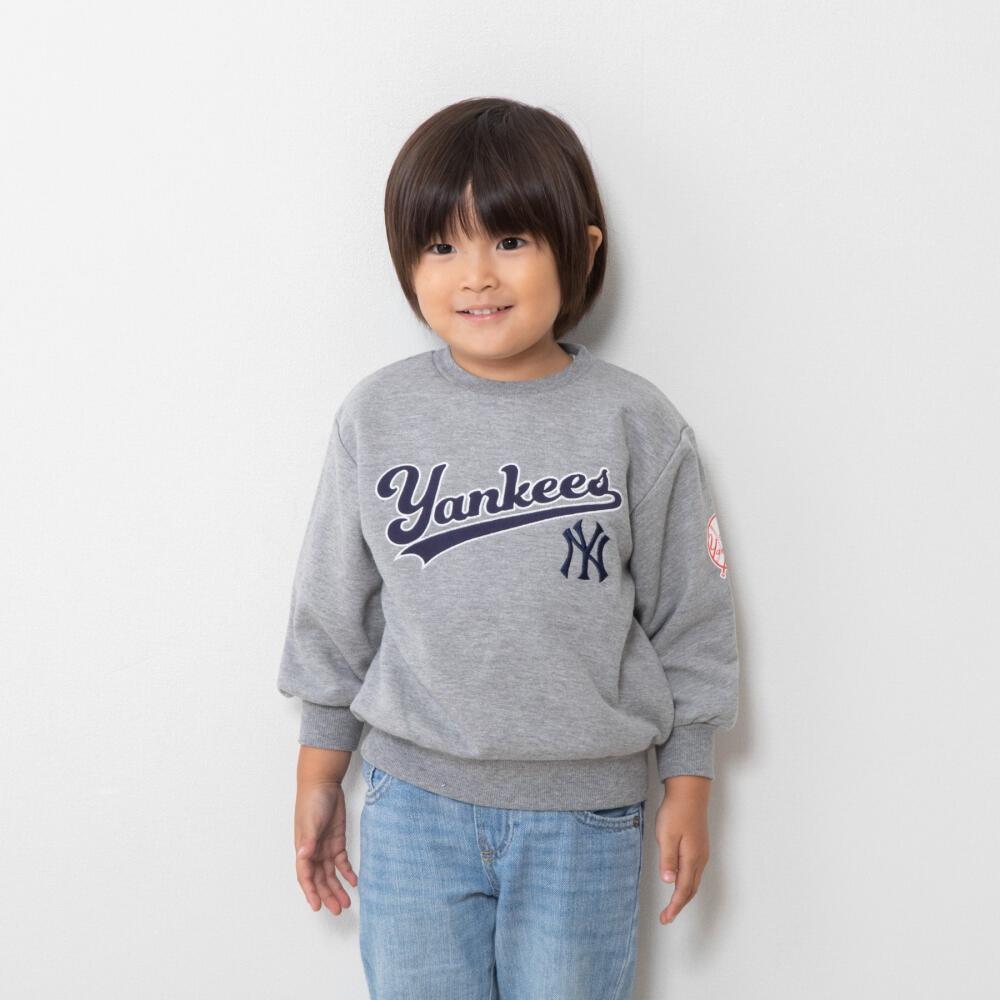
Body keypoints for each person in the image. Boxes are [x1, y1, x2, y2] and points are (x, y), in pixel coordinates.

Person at [276, 96, 741, 1000]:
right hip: (414, 811)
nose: (477, 276)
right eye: (441, 246)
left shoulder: (637, 423)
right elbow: (333, 609)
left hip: (585, 819)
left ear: (583, 250)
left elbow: (692, 618)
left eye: (512, 240)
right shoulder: (377, 417)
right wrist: (319, 769)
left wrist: (689, 780)